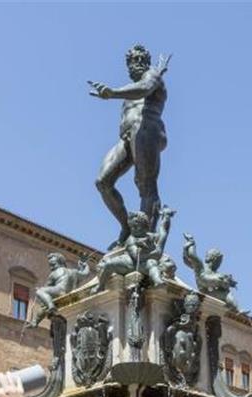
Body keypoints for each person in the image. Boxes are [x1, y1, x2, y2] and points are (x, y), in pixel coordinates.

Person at [89, 44, 170, 250]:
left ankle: (146, 239)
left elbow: (144, 89)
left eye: (134, 62)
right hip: (127, 137)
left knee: (145, 184)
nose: (130, 67)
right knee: (103, 182)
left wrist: (113, 92)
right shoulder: (130, 89)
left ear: (143, 62)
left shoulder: (153, 76)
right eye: (129, 63)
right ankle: (127, 227)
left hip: (146, 130)